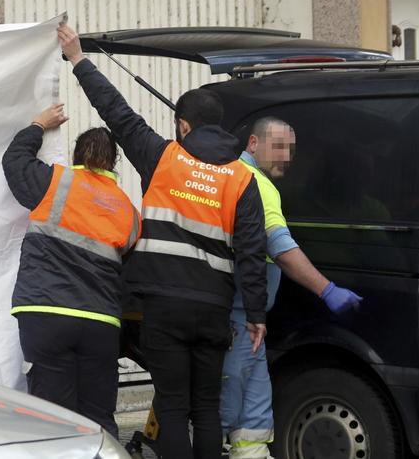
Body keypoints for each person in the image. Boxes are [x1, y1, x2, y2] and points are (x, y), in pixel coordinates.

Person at [57, 24, 268, 459]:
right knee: (206, 408)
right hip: (213, 309)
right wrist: (257, 314)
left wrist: (79, 58)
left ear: (184, 126)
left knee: (172, 407)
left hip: (162, 307)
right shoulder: (242, 179)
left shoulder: (163, 157)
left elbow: (117, 112)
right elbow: (251, 252)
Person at [221, 116, 362, 458]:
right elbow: (279, 248)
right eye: (279, 146)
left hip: (252, 321)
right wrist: (327, 289)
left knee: (253, 415)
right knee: (224, 408)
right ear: (253, 144)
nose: (287, 156)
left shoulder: (245, 177)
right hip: (237, 319)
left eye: (291, 149)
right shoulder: (253, 181)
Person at [2, 103, 140, 436]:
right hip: (101, 325)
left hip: (46, 314)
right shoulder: (129, 212)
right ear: (114, 163)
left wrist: (38, 124)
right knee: (99, 419)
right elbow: (127, 264)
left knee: (53, 420)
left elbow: (14, 162)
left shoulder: (55, 182)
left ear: (76, 155)